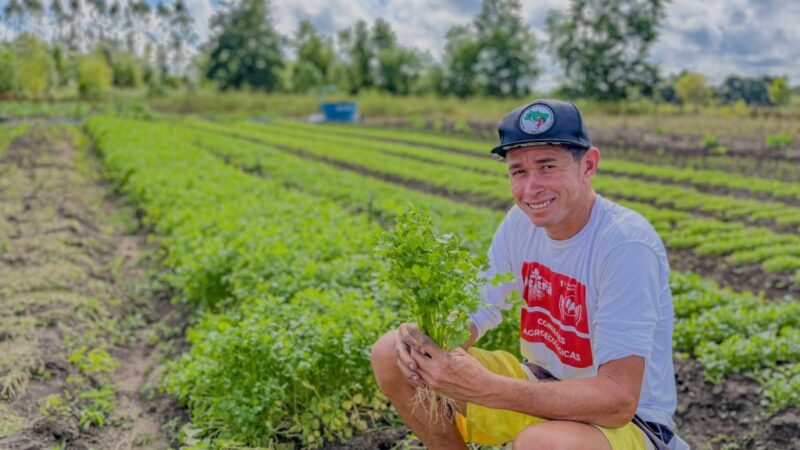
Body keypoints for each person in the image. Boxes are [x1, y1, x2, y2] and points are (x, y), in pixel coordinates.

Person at [371, 99, 689, 450]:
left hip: (628, 424)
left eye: (547, 166)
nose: (531, 188)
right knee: (391, 353)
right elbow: (480, 308)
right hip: (543, 385)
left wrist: (485, 387)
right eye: (518, 171)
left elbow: (618, 400)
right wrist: (433, 346)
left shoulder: (625, 244)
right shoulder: (520, 222)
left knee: (542, 444)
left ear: (589, 165)